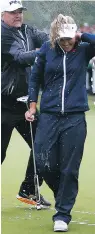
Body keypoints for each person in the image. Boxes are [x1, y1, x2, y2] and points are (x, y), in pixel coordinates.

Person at [25, 14, 95, 231]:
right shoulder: (47, 49)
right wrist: (32, 106)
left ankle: (62, 214)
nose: (66, 43)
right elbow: (35, 78)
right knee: (42, 162)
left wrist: (81, 34)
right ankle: (63, 194)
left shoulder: (83, 49)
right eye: (62, 39)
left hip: (74, 118)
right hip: (48, 116)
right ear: (55, 36)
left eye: (69, 38)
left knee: (69, 169)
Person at [1, 0, 51, 207]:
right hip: (3, 104)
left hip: (26, 105)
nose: (18, 15)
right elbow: (20, 57)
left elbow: (46, 38)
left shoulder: (28, 30)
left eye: (20, 11)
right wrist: (46, 51)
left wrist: (57, 40)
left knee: (43, 146)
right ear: (3, 14)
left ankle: (29, 190)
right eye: (13, 12)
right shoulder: (2, 35)